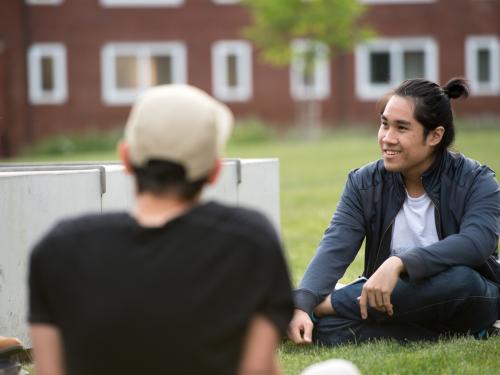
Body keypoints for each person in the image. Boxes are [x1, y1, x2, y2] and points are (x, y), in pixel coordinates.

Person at [28, 84, 294, 375]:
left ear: (126, 158)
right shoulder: (251, 241)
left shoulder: (59, 248)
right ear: (215, 170)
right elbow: (256, 370)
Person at [288, 77, 500, 346]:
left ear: (435, 135)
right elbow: (335, 245)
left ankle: (328, 308)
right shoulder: (364, 183)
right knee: (325, 329)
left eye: (401, 128)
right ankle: (437, 335)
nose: (387, 138)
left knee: (461, 281)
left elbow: (475, 244)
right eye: (384, 124)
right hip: (390, 301)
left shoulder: (476, 181)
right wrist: (302, 303)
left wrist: (400, 263)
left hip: (464, 296)